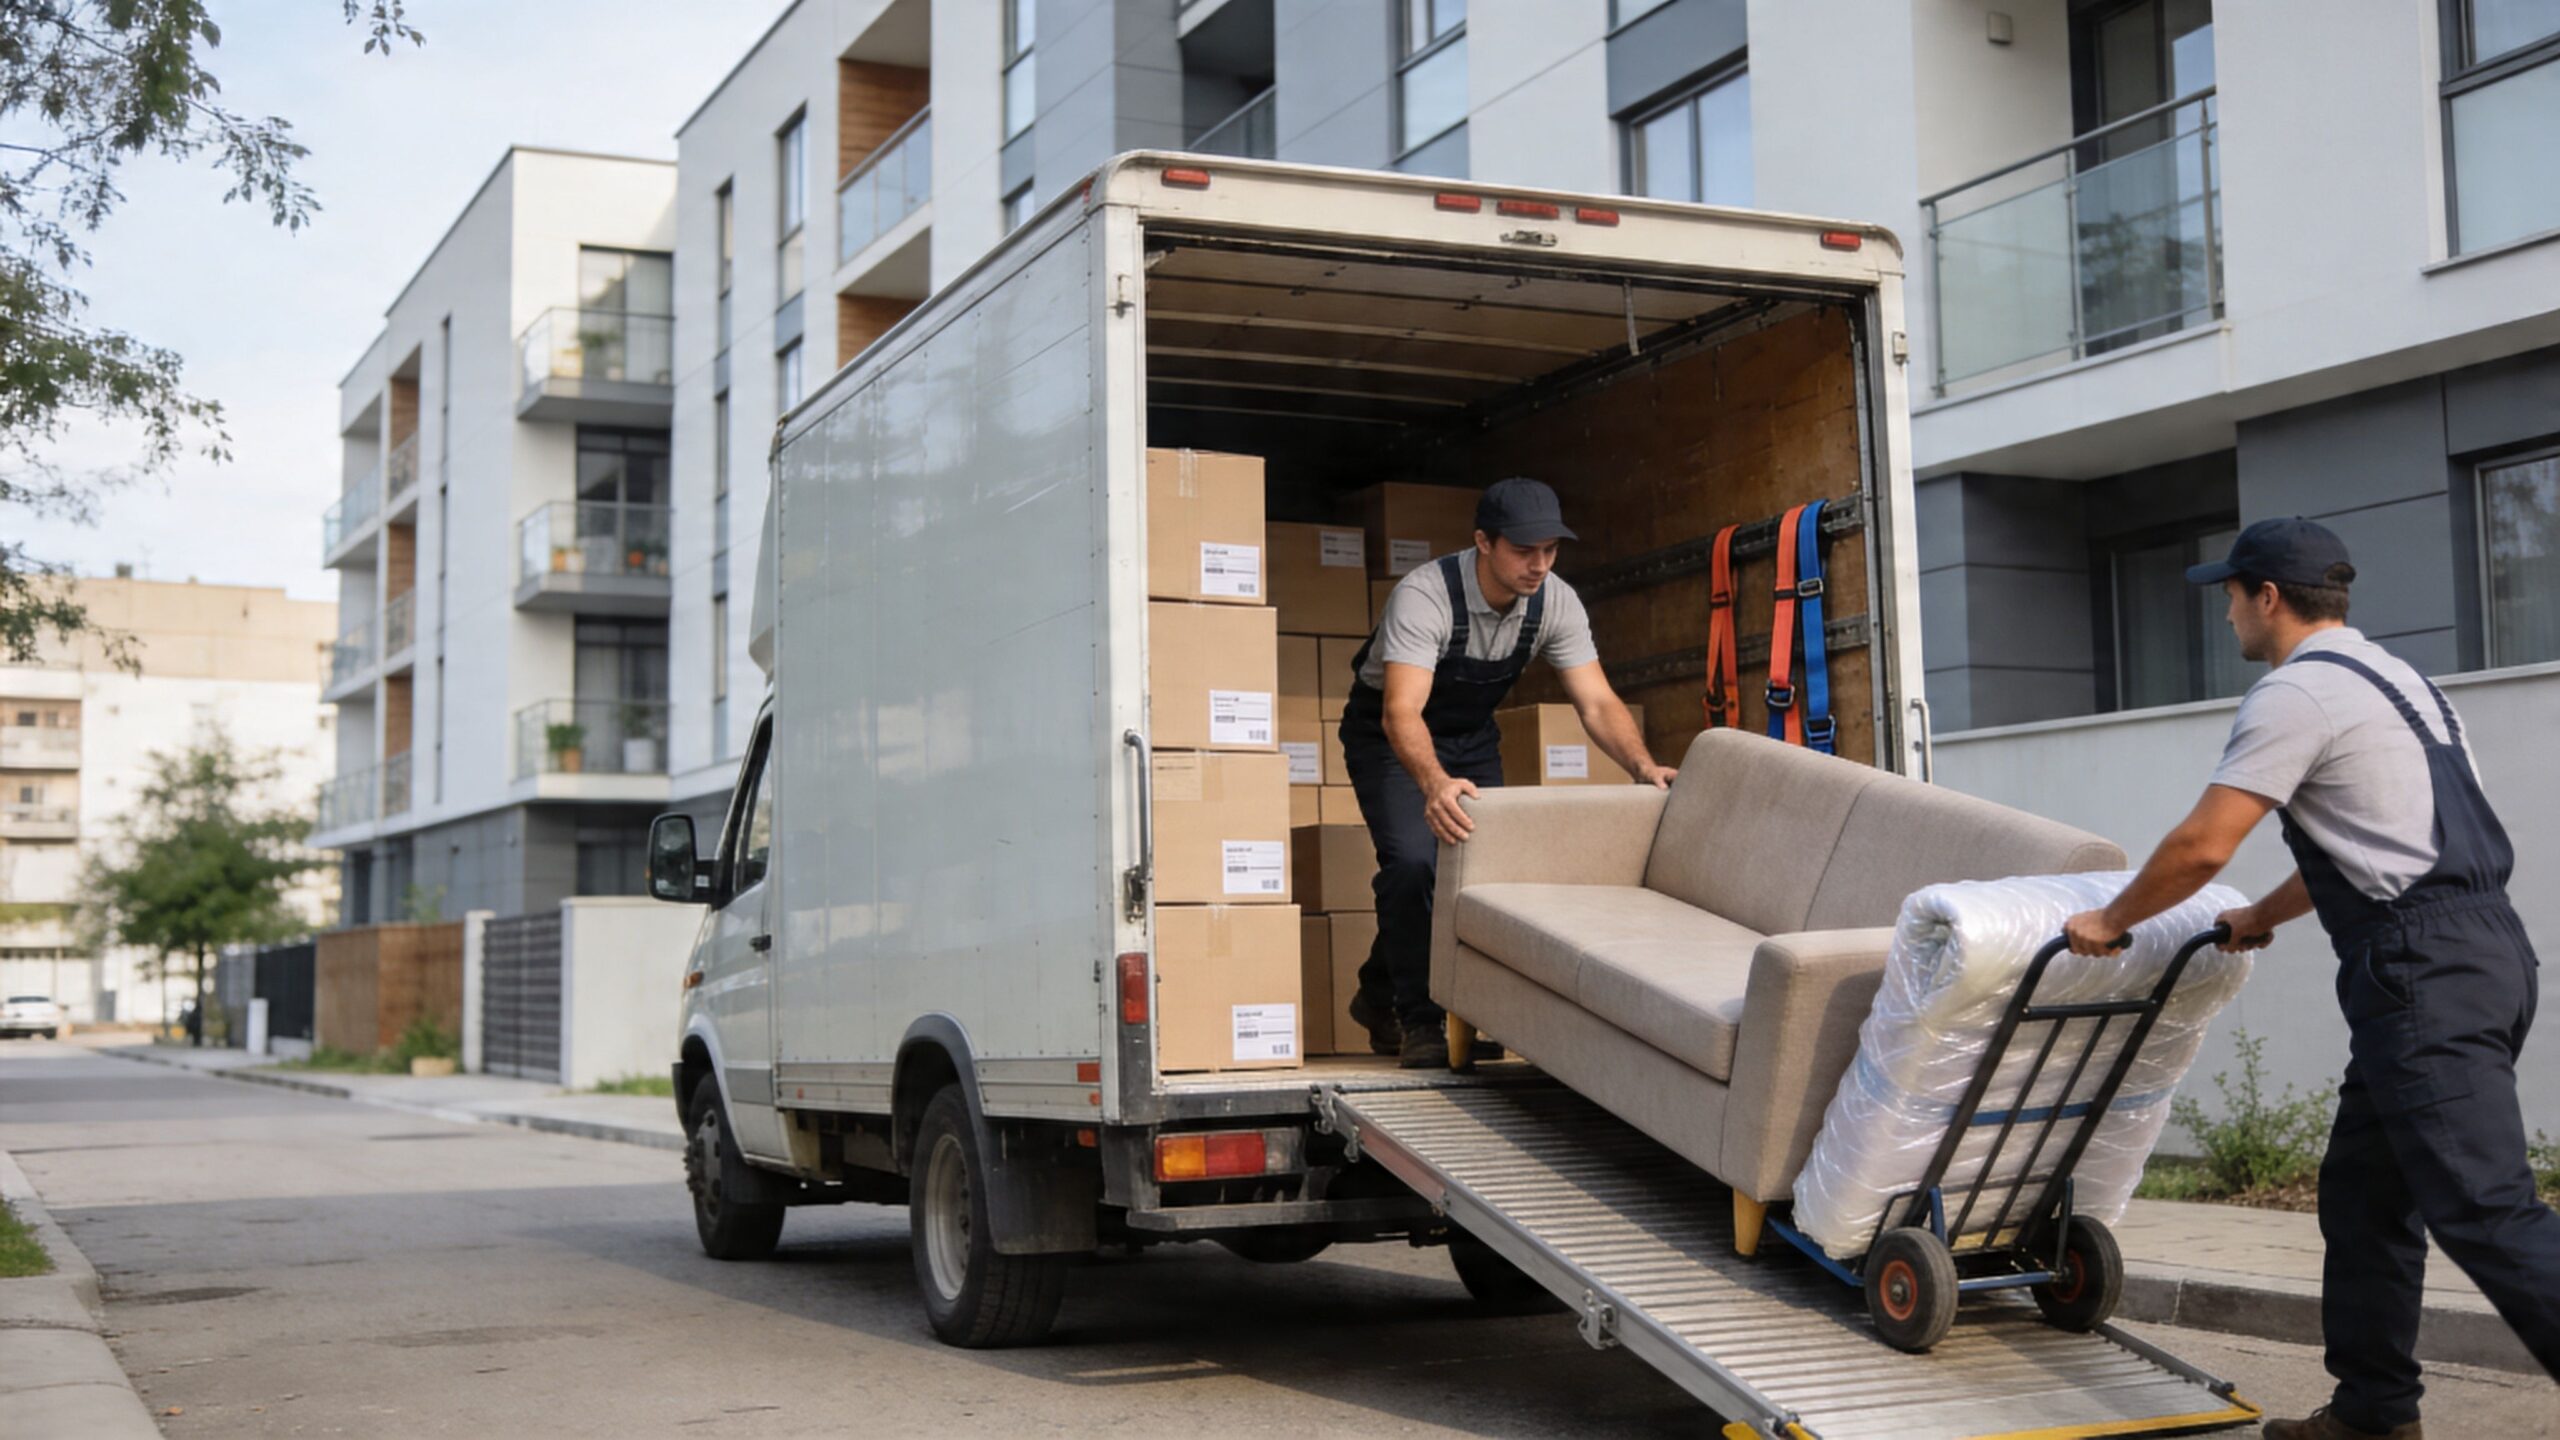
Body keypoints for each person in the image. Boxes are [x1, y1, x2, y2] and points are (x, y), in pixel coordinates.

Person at [2056, 517, 2558, 1439]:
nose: (2227, 616)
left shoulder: (2294, 694)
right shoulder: (2405, 682)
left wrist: (2109, 920)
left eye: (2231, 596)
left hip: (2423, 972)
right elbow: (2378, 842)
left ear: (2269, 598)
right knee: (2364, 1197)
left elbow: (2205, 843)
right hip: (2479, 950)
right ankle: (2373, 1414)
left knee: (2487, 1210)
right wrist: (2259, 918)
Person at [1337, 477, 1673, 1068]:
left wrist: (1644, 768)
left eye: (1549, 550)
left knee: (1480, 873)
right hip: (1391, 736)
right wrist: (1435, 784)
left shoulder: (1555, 602)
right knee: (1416, 863)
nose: (1538, 565)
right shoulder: (1427, 595)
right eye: (1523, 550)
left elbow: (1596, 702)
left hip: (1469, 737)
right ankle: (1419, 1021)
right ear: (1483, 543)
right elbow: (1401, 712)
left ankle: (1382, 992)